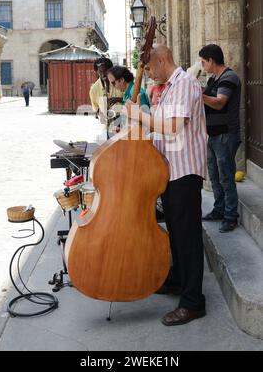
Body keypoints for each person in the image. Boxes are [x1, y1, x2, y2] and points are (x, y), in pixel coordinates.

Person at [124, 44, 207, 327]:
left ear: (161, 60)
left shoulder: (184, 83)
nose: (147, 73)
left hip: (184, 173)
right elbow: (159, 128)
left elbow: (172, 127)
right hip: (169, 173)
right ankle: (178, 279)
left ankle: (193, 302)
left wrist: (139, 115)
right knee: (176, 234)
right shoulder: (167, 87)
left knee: (188, 238)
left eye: (148, 67)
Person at [199, 44, 241, 233]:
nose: (202, 65)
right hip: (214, 135)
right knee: (214, 176)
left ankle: (231, 217)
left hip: (226, 135)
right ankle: (219, 209)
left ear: (211, 60)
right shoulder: (213, 79)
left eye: (203, 61)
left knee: (225, 177)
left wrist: (199, 94)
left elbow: (219, 102)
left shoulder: (229, 77)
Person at [89, 58, 123, 124]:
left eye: (105, 71)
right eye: (100, 72)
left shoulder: (120, 83)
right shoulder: (93, 90)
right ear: (97, 72)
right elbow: (96, 109)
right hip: (107, 124)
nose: (103, 74)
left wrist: (119, 99)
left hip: (124, 120)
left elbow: (130, 101)